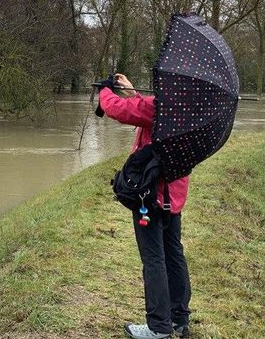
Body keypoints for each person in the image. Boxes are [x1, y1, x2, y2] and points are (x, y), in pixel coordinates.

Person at [98, 74, 191, 339]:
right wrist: (132, 93)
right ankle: (179, 319)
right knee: (174, 254)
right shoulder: (190, 111)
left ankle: (158, 326)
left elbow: (118, 109)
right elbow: (144, 110)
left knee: (153, 258)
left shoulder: (160, 107)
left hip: (150, 195)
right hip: (174, 194)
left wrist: (105, 91)